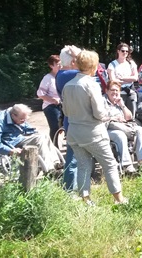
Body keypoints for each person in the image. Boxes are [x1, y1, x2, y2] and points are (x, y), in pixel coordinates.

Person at [62, 50, 127, 205]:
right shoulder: (92, 84)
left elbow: (65, 112)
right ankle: (119, 199)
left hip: (73, 133)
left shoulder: (67, 85)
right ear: (94, 66)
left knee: (83, 165)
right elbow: (99, 113)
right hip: (92, 133)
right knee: (109, 164)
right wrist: (108, 115)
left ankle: (86, 200)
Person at [0, 103, 62, 174]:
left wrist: (34, 131)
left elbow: (27, 127)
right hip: (10, 144)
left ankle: (56, 164)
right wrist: (10, 150)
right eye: (22, 119)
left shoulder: (18, 116)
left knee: (44, 136)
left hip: (19, 138)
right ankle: (49, 170)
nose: (24, 121)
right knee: (39, 139)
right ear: (13, 115)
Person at [105, 81, 142, 173]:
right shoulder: (102, 101)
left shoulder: (119, 102)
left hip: (123, 126)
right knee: (120, 135)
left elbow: (129, 117)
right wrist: (114, 118)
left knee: (139, 129)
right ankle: (127, 165)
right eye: (112, 90)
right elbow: (99, 117)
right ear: (106, 91)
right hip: (108, 128)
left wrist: (122, 105)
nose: (115, 92)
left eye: (117, 91)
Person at [56, 45, 81, 191]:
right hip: (75, 122)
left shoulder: (61, 74)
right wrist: (80, 54)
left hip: (72, 120)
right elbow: (93, 68)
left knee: (75, 157)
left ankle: (72, 187)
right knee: (72, 158)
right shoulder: (69, 74)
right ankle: (70, 190)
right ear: (73, 61)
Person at [107, 43, 139, 117]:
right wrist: (128, 79)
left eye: (127, 51)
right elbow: (113, 81)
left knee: (132, 115)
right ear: (118, 51)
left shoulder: (131, 63)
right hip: (118, 93)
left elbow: (135, 78)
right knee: (120, 115)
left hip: (131, 92)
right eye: (123, 51)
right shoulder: (112, 64)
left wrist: (122, 78)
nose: (125, 53)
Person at [37, 55, 63, 141]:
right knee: (55, 128)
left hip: (62, 105)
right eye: (58, 64)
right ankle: (54, 147)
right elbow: (40, 94)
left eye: (61, 64)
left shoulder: (63, 76)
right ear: (51, 66)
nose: (60, 66)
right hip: (51, 107)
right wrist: (52, 100)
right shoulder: (48, 78)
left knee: (64, 126)